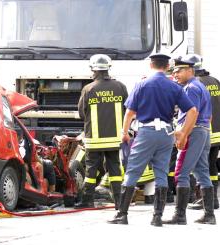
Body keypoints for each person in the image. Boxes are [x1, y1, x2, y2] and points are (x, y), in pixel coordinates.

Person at [107, 53, 197, 226]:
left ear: (151, 65)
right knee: (161, 173)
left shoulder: (142, 84)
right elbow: (192, 110)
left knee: (133, 171)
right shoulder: (175, 87)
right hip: (166, 134)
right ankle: (157, 217)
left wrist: (124, 132)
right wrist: (184, 133)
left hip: (146, 132)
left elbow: (130, 112)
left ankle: (122, 215)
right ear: (167, 66)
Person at [164, 55, 216, 225]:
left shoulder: (190, 88)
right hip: (203, 132)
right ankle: (209, 215)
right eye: (174, 71)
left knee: (181, 172)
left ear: (189, 70)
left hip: (193, 132)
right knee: (202, 172)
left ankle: (180, 215)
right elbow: (208, 116)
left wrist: (183, 134)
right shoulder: (200, 86)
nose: (175, 74)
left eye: (178, 71)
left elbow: (192, 113)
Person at [75, 54, 128, 209]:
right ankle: (119, 202)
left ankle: (87, 200)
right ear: (108, 69)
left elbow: (82, 114)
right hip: (114, 138)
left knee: (91, 171)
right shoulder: (120, 87)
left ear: (94, 70)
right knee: (115, 170)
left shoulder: (88, 89)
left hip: (94, 140)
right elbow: (128, 109)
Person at [186, 54, 220, 210]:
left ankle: (203, 199)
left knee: (200, 165)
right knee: (211, 165)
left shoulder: (195, 84)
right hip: (217, 131)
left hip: (203, 131)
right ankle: (213, 200)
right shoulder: (214, 81)